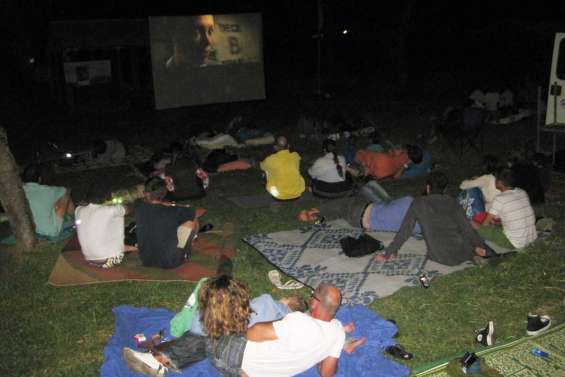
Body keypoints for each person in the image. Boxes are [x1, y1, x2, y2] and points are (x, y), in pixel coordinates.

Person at [123, 278, 366, 377]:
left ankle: (161, 360)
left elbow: (253, 333)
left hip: (234, 359)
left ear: (314, 302)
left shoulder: (296, 320)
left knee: (212, 329)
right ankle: (166, 358)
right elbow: (327, 373)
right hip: (252, 372)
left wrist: (243, 324)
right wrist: (337, 346)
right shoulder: (335, 332)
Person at [375, 171, 491, 266]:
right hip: (462, 253)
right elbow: (467, 229)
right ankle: (474, 254)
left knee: (462, 239)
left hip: (439, 256)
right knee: (468, 237)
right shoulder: (452, 202)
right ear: (445, 188)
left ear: (428, 188)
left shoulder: (418, 203)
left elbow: (405, 230)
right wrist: (479, 245)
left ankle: (475, 253)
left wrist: (389, 252)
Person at [134, 177, 200, 269]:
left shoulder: (139, 208)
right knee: (191, 222)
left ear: (147, 194)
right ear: (164, 193)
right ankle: (188, 248)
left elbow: (156, 208)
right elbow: (192, 211)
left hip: (146, 260)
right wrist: (174, 205)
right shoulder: (173, 211)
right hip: (170, 261)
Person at [473, 168, 537, 250]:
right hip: (531, 238)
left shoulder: (500, 199)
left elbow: (485, 223)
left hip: (514, 243)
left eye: (495, 180)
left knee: (474, 223)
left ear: (499, 183)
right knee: (496, 224)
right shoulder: (522, 192)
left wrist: (484, 227)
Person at [190, 293, 306, 336]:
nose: (282, 298)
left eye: (286, 298)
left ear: (288, 303)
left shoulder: (269, 302)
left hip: (208, 322)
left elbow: (248, 307)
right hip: (229, 334)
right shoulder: (288, 325)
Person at [21, 163, 75, 238]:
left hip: (28, 232)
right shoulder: (48, 190)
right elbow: (65, 190)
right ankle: (75, 216)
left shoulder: (18, 192)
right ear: (39, 179)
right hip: (49, 231)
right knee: (66, 193)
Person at [75, 203, 136, 268]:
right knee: (130, 237)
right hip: (108, 261)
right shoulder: (109, 210)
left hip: (90, 260)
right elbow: (126, 209)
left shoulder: (78, 210)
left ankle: (132, 248)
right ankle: (136, 247)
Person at [260, 136, 305, 200]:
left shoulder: (271, 159)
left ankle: (268, 187)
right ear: (288, 146)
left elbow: (261, 166)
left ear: (275, 147)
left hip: (278, 195)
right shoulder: (296, 156)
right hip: (297, 194)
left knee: (265, 171)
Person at [354, 144, 423, 179]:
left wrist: (405, 165)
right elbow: (392, 151)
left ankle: (363, 165)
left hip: (383, 164)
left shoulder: (406, 161)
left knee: (362, 154)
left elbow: (396, 177)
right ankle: (364, 167)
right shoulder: (404, 154)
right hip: (383, 170)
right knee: (368, 160)